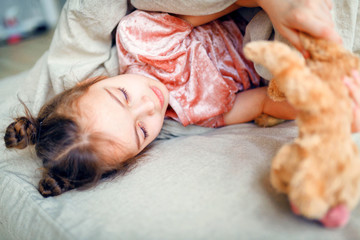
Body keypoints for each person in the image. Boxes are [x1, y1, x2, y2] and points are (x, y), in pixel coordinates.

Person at [4, 0, 359, 197]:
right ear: (140, 151)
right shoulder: (191, 116)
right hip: (269, 54)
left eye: (123, 95)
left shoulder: (140, 39)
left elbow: (215, 6)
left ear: (96, 80)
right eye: (142, 130)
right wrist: (322, 105)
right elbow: (263, 101)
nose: (150, 104)